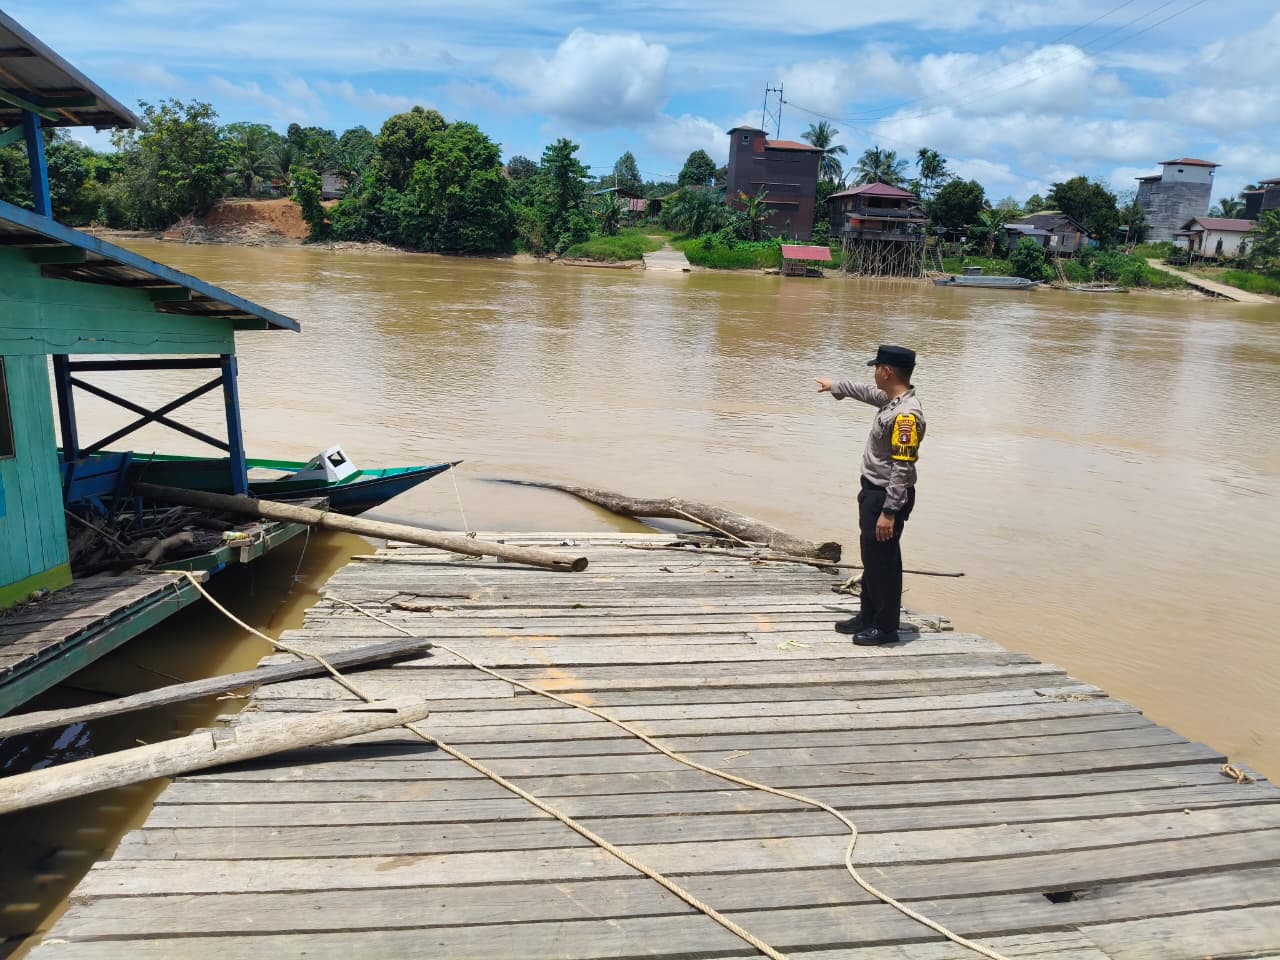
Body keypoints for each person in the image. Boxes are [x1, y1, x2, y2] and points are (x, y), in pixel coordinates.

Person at [815, 345, 925, 645]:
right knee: (872, 560)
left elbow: (903, 467)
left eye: (877, 367)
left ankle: (886, 627)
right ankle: (868, 615)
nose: (874, 373)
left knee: (885, 563)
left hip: (886, 497)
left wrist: (889, 512)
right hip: (873, 493)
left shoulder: (906, 416)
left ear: (886, 371)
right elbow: (865, 391)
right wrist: (836, 386)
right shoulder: (891, 402)